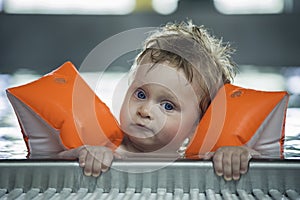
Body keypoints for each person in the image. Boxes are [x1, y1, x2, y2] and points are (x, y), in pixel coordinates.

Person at [58, 21, 260, 181]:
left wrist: (237, 155)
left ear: (198, 125)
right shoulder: (106, 147)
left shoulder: (199, 158)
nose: (144, 110)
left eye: (168, 106)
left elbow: (261, 164)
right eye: (140, 94)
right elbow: (54, 161)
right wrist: (83, 154)